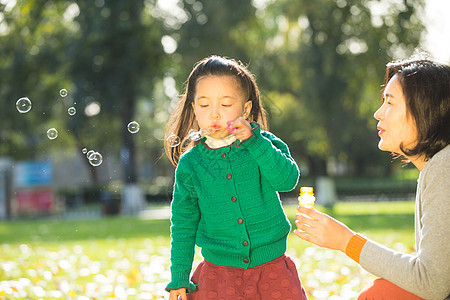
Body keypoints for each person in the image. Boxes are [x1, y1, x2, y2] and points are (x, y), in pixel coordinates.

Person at [294, 52, 450, 300]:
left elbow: (432, 282)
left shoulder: (445, 167)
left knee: (381, 294)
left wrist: (347, 241)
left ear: (424, 111)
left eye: (390, 102)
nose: (378, 113)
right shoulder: (436, 167)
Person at [164, 55, 308, 300]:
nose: (215, 114)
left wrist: (254, 142)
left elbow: (287, 180)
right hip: (219, 277)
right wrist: (179, 276)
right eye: (205, 105)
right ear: (193, 108)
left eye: (226, 104)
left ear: (246, 108)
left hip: (272, 271)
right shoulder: (191, 164)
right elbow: (183, 223)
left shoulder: (263, 145)